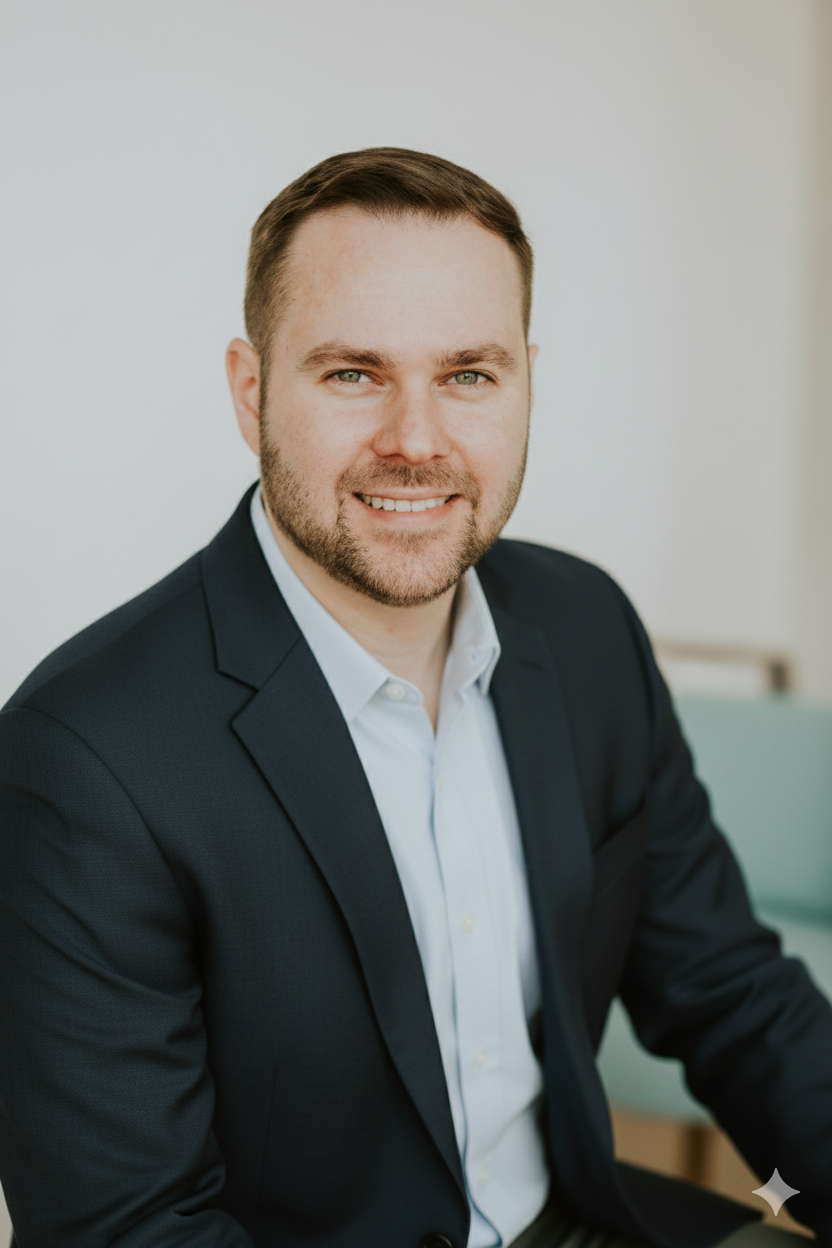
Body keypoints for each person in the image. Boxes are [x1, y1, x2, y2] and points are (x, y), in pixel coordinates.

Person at [0, 148, 830, 1248]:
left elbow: (728, 992)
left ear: (526, 379)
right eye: (353, 372)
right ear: (251, 393)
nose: (417, 440)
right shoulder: (83, 761)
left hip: (584, 1222)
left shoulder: (586, 630)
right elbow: (132, 1229)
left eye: (468, 375)